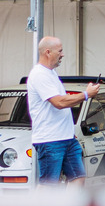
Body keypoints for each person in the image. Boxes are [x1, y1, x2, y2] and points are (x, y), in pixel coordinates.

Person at [27, 36, 99, 187]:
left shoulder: (50, 73)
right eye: (60, 51)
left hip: (66, 138)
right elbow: (58, 102)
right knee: (48, 184)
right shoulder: (40, 74)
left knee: (78, 177)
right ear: (48, 52)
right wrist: (86, 95)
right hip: (50, 139)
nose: (62, 54)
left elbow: (61, 100)